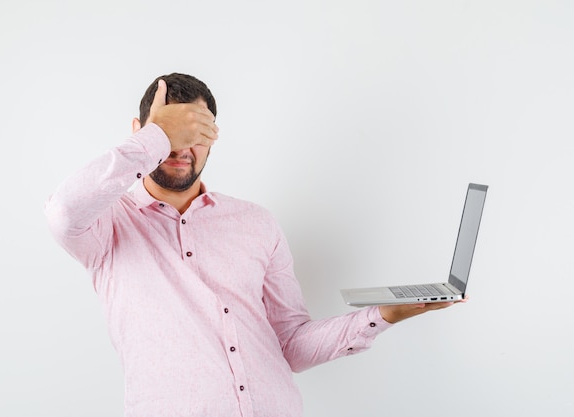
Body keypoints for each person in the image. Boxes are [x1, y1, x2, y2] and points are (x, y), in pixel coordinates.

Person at [45, 73, 462, 417]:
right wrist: (157, 135)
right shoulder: (105, 226)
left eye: (197, 132)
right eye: (172, 132)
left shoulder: (255, 222)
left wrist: (384, 315)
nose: (182, 147)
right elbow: (63, 211)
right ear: (141, 134)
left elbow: (291, 345)